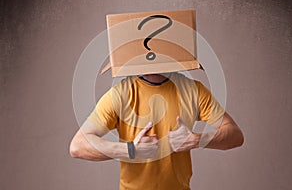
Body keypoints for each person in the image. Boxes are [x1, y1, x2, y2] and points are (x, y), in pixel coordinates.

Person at [69, 72, 244, 190]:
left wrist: (198, 139)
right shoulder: (121, 94)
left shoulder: (193, 90)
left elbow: (235, 135)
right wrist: (131, 150)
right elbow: (78, 146)